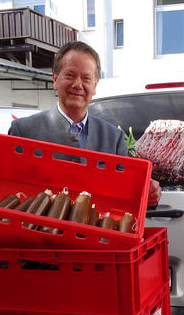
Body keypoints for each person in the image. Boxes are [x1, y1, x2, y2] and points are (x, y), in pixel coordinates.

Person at [9, 40, 161, 206]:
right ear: (55, 79)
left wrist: (148, 192)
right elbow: (9, 192)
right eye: (70, 75)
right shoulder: (23, 131)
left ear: (95, 86)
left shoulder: (113, 138)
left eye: (86, 78)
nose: (77, 85)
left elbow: (125, 191)